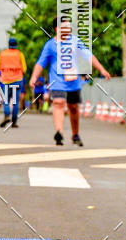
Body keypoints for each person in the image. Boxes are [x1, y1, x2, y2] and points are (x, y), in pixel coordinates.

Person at [28, 17, 111, 146]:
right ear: (57, 29)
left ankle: (75, 134)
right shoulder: (50, 45)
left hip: (73, 82)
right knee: (58, 103)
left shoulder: (75, 41)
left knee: (73, 108)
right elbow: (41, 63)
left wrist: (102, 69)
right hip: (57, 82)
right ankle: (59, 133)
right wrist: (34, 77)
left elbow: (88, 56)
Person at [0, 37, 26, 128]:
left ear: (8, 44)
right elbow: (24, 68)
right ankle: (14, 121)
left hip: (6, 80)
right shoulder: (19, 54)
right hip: (17, 80)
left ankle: (6, 115)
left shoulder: (2, 54)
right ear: (16, 44)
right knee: (15, 102)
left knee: (6, 101)